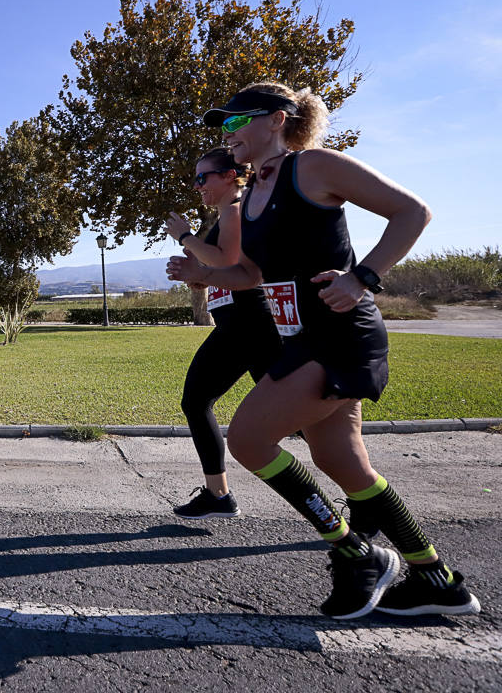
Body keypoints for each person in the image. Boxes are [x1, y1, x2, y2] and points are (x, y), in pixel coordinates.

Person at [167, 81, 480, 620]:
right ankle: (438, 579)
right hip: (302, 339)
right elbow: (253, 274)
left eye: (236, 122)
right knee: (342, 462)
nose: (228, 135)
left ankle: (356, 553)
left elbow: (413, 212)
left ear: (277, 119)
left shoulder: (312, 166)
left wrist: (363, 278)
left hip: (340, 335)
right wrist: (202, 271)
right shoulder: (257, 191)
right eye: (223, 126)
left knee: (248, 438)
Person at [163, 147, 280, 519]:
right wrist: (198, 277)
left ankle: (219, 495)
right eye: (195, 179)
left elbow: (226, 260)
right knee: (294, 416)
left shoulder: (233, 210)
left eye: (203, 178)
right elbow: (227, 268)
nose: (198, 186)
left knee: (196, 401)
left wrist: (185, 237)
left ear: (230, 176)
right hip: (244, 323)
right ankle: (218, 495)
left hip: (248, 322)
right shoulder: (231, 212)